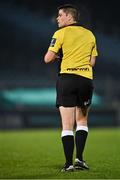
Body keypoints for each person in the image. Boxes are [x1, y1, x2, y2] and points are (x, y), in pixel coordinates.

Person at [44, 4, 98, 172]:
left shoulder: (60, 33)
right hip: (85, 80)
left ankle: (68, 164)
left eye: (60, 15)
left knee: (67, 125)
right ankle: (79, 159)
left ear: (69, 17)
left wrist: (60, 56)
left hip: (67, 79)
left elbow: (47, 58)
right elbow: (92, 62)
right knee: (81, 121)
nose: (58, 18)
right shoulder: (90, 34)